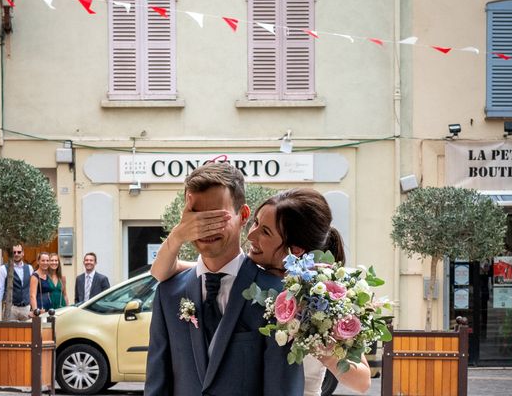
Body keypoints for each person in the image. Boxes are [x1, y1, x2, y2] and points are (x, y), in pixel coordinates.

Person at [151, 187, 371, 395]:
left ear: (295, 249)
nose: (251, 236)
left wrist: (319, 344)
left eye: (264, 232)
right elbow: (162, 271)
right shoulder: (249, 277)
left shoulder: (320, 298)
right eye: (255, 223)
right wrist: (180, 234)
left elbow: (363, 382)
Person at [145, 163, 304, 396]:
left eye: (217, 217)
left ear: (244, 215)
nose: (206, 228)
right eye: (198, 218)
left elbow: (282, 388)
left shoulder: (279, 296)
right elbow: (157, 384)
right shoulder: (168, 294)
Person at [0, 243, 33, 321]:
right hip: (10, 308)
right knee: (8, 332)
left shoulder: (29, 268)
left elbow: (32, 289)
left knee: (28, 332)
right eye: (14, 252)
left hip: (26, 308)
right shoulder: (3, 268)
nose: (16, 254)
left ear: (23, 253)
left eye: (19, 252)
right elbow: (0, 288)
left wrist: (33, 308)